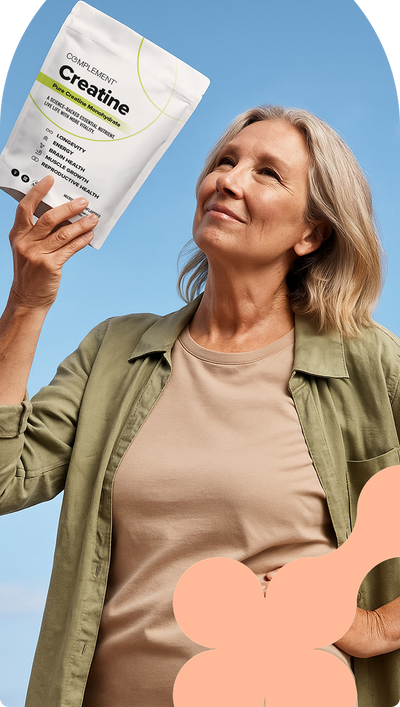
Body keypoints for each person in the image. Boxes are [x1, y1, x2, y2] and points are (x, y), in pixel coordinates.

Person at [1, 104, 400, 707]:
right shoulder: (115, 350)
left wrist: (375, 627)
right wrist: (27, 302)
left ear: (311, 233)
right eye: (224, 161)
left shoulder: (367, 361)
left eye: (268, 174)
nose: (229, 180)